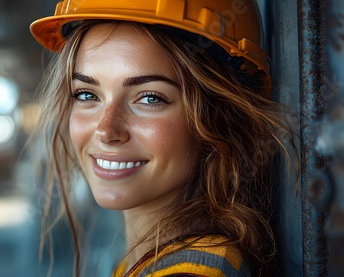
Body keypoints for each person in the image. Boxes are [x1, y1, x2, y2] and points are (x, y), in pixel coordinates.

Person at [29, 1, 298, 276]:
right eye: (87, 94)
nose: (106, 131)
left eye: (149, 98)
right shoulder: (149, 262)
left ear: (221, 117)